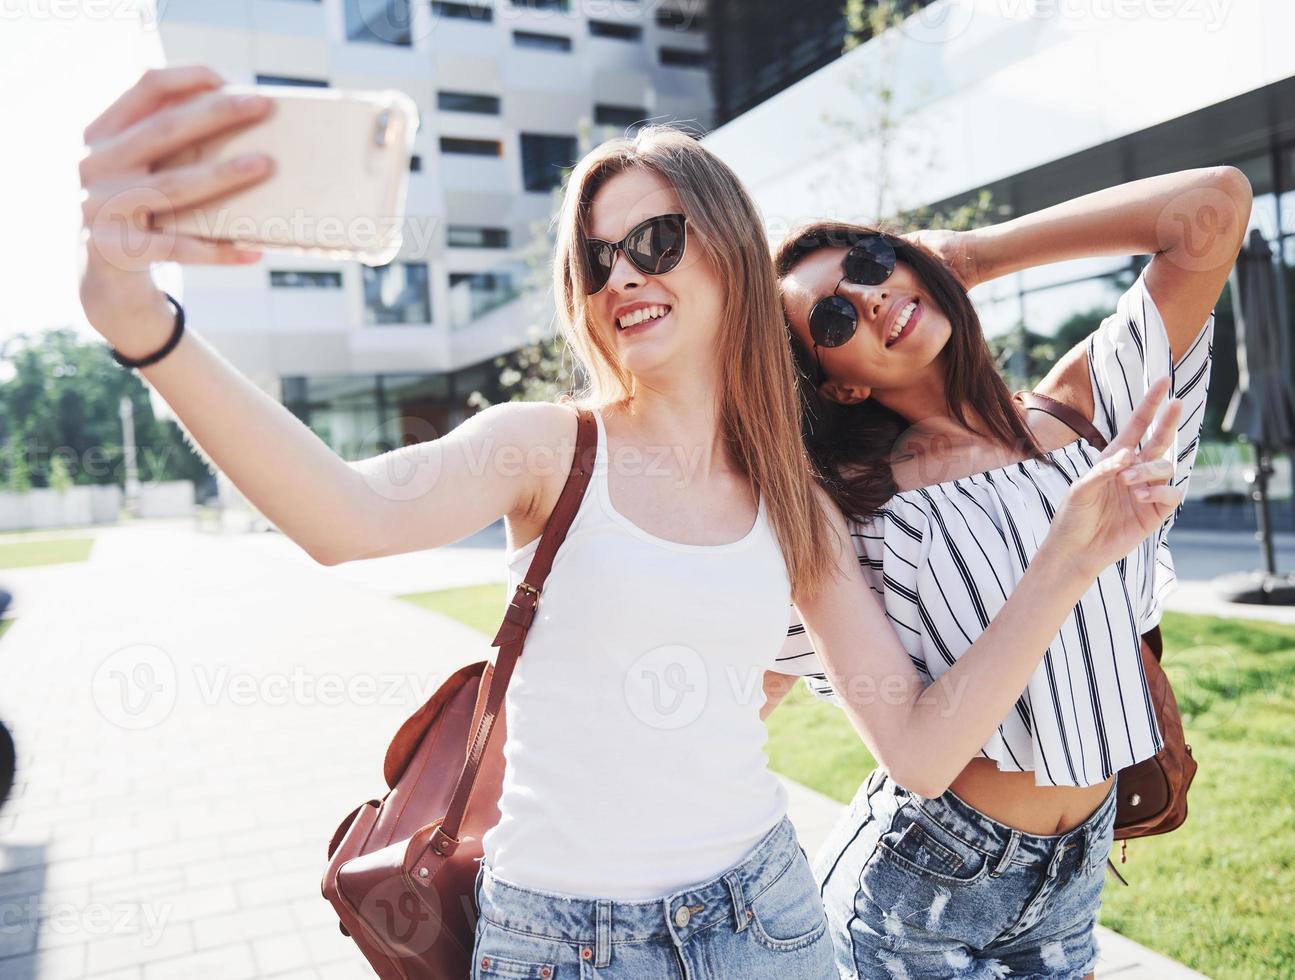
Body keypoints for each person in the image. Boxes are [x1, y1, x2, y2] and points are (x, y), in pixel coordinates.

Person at [76, 65, 1187, 980]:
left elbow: (920, 746)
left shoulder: (794, 497)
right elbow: (344, 517)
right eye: (597, 257)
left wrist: (1067, 557)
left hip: (766, 917)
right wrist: (143, 322)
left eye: (654, 241)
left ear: (726, 255)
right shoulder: (544, 446)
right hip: (558, 942)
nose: (623, 275)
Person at [768, 167, 1251, 978]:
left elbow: (1212, 208)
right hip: (920, 888)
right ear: (837, 384)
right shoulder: (852, 508)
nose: (871, 297)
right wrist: (1064, 557)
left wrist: (972, 253)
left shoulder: (1083, 409)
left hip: (1077, 867)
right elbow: (911, 755)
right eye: (834, 316)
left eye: (869, 263)